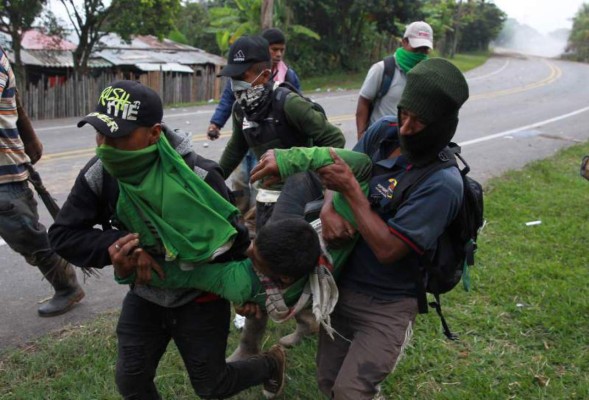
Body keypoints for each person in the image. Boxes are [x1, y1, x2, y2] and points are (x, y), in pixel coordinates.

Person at [48, 80, 286, 400]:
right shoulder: (101, 172)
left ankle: (269, 365)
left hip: (199, 297)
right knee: (131, 380)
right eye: (100, 132)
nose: (105, 145)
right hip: (146, 294)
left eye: (118, 136)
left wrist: (241, 292)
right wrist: (119, 246)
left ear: (154, 133)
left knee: (211, 385)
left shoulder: (199, 178)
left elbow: (236, 241)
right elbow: (63, 235)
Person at [316, 58, 470, 399]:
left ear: (444, 127)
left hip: (388, 305)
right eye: (404, 113)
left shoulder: (442, 183)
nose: (407, 127)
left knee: (350, 390)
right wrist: (329, 206)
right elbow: (340, 168)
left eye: (420, 121)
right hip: (343, 288)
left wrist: (353, 194)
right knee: (327, 383)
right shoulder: (384, 130)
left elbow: (388, 250)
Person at [217, 34, 345, 357]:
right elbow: (236, 148)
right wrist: (211, 179)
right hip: (266, 198)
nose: (237, 83)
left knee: (274, 263)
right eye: (233, 77)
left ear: (265, 72)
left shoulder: (289, 103)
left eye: (243, 75)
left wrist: (291, 164)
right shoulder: (240, 110)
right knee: (264, 267)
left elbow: (335, 139)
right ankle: (276, 335)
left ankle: (263, 339)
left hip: (300, 193)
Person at [0, 46, 84, 317]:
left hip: (4, 172)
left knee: (26, 235)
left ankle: (67, 287)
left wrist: (29, 137)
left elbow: (15, 102)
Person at [207, 28, 301, 216]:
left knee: (263, 188)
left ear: (265, 76)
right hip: (250, 142)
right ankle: (244, 216)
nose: (278, 54)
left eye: (281, 49)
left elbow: (328, 141)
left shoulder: (289, 91)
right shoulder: (239, 102)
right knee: (242, 183)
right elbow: (235, 146)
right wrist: (208, 183)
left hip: (280, 157)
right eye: (274, 49)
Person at [355, 20, 433, 140]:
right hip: (380, 142)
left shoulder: (428, 74)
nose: (420, 54)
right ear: (404, 42)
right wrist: (361, 136)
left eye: (424, 50)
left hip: (410, 144)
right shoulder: (382, 69)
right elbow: (364, 102)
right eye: (417, 49)